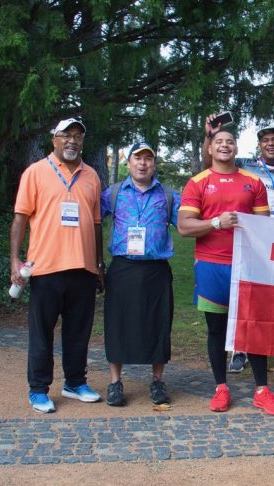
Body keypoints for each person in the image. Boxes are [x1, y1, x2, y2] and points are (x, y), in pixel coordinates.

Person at [177, 124, 274, 416]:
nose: (225, 145)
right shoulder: (197, 182)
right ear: (210, 148)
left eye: (230, 142)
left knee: (253, 327)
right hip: (211, 265)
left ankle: (262, 390)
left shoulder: (253, 182)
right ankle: (221, 387)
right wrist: (215, 223)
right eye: (219, 141)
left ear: (236, 148)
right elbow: (185, 226)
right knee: (216, 329)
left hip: (246, 266)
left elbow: (266, 228)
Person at [10, 118, 104, 413]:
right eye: (66, 135)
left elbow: (98, 223)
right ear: (55, 140)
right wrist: (15, 258)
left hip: (84, 268)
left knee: (79, 331)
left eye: (77, 135)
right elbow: (20, 218)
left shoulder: (92, 176)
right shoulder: (36, 172)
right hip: (46, 267)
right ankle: (38, 389)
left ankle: (75, 383)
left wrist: (99, 263)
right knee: (42, 333)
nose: (72, 141)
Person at [203, 124, 274, 372]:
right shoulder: (246, 168)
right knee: (246, 295)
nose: (270, 144)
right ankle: (240, 349)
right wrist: (209, 136)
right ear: (259, 145)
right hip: (252, 242)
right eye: (265, 140)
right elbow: (212, 162)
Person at [100, 142, 181, 406]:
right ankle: (115, 382)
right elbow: (90, 220)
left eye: (148, 159)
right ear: (129, 163)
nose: (143, 163)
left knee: (158, 323)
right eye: (138, 158)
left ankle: (157, 381)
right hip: (123, 268)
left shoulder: (168, 196)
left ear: (154, 164)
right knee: (117, 323)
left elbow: (188, 223)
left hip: (155, 270)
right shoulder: (113, 193)